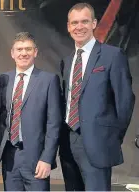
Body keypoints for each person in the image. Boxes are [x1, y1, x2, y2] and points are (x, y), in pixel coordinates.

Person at [59, 3, 135, 191]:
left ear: (94, 23)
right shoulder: (67, 61)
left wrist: (111, 137)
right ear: (68, 27)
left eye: (84, 21)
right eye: (74, 23)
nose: (79, 27)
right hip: (68, 143)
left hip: (98, 143)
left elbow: (125, 101)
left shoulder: (112, 55)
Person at [0, 32, 62, 191]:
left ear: (35, 52)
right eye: (19, 49)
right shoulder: (4, 79)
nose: (23, 53)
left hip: (36, 158)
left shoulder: (48, 80)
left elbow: (54, 123)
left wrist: (47, 158)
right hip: (10, 156)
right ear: (12, 53)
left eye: (28, 49)